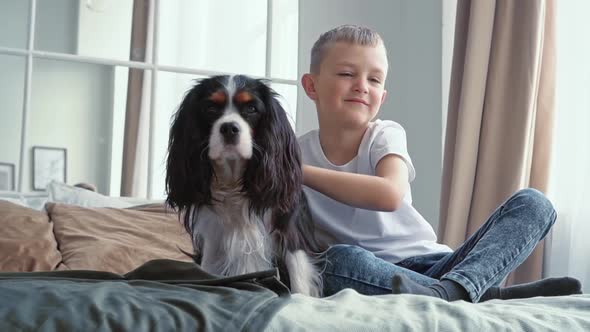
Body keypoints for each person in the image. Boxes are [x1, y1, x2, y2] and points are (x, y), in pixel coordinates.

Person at [298, 24, 581, 302]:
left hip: (438, 264)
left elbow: (389, 194)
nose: (361, 86)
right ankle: (481, 295)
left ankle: (453, 288)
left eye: (374, 80)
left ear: (382, 97)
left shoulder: (384, 134)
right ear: (312, 86)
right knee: (335, 261)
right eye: (347, 74)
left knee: (534, 203)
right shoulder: (295, 153)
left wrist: (298, 173)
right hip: (371, 270)